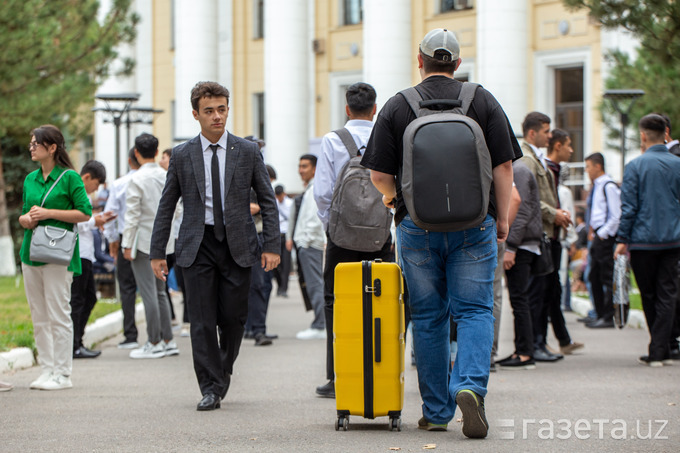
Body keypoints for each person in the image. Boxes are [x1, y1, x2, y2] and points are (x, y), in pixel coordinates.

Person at [362, 29, 519, 438]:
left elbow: (378, 173)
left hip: (417, 228)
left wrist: (397, 201)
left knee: (429, 317)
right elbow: (504, 167)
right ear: (458, 64)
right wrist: (501, 219)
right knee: (475, 310)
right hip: (474, 225)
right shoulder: (480, 100)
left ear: (420, 61)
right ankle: (469, 385)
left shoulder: (399, 105)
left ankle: (435, 412)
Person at [150, 81, 280, 411]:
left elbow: (267, 200)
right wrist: (156, 253)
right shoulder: (181, 155)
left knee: (234, 318)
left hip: (238, 244)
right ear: (196, 114)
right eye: (209, 111)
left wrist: (272, 245)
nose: (217, 116)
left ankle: (222, 371)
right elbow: (166, 206)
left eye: (222, 109)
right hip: (197, 245)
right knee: (203, 320)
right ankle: (209, 385)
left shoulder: (248, 151)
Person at [313, 82, 394, 398]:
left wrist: (332, 228)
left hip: (341, 237)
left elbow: (322, 193)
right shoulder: (385, 138)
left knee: (336, 303)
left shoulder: (334, 140)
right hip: (379, 237)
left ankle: (337, 377)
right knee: (380, 302)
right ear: (375, 109)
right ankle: (378, 371)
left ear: (347, 109)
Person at [19, 124, 92, 390]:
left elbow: (85, 213)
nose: (31, 147)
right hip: (31, 253)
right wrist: (25, 219)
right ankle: (46, 370)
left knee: (59, 314)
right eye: (30, 142)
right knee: (39, 315)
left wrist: (49, 213)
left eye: (35, 143)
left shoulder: (70, 177)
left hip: (59, 256)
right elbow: (26, 213)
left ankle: (63, 374)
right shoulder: (30, 179)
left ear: (52, 148)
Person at [615, 113, 680, 367]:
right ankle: (660, 349)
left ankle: (657, 348)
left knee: (649, 294)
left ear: (642, 135)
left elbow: (629, 207)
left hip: (643, 242)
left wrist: (622, 238)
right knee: (668, 293)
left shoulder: (635, 166)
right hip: (673, 241)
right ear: (666, 132)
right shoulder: (677, 164)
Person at [519, 114, 571, 362]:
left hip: (545, 234)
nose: (550, 136)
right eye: (546, 131)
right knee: (536, 294)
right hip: (538, 235)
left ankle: (540, 342)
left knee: (545, 291)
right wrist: (554, 213)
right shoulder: (527, 160)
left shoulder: (535, 158)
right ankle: (536, 343)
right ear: (532, 133)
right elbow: (529, 199)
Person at [123, 133, 179, 360]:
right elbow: (176, 210)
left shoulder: (136, 180)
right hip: (164, 241)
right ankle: (168, 340)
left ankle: (154, 341)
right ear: (157, 152)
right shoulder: (167, 175)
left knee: (149, 293)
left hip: (143, 241)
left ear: (136, 153)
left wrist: (127, 243)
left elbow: (132, 215)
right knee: (160, 292)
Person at [537, 130, 582, 353]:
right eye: (568, 145)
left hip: (555, 237)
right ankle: (540, 342)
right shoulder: (544, 168)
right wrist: (555, 213)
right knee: (547, 289)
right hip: (546, 237)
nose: (571, 150)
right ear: (557, 146)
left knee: (554, 289)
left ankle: (561, 340)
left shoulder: (553, 170)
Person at [497, 162, 542, 369]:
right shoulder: (519, 170)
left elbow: (521, 209)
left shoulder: (519, 171)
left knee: (519, 299)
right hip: (521, 243)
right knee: (521, 298)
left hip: (520, 245)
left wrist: (511, 247)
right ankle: (523, 350)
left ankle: (525, 352)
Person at [70, 160, 116, 359]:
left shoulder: (83, 195)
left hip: (86, 254)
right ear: (87, 177)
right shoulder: (74, 191)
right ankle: (73, 346)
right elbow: (70, 221)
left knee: (88, 298)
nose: (96, 190)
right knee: (79, 300)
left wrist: (97, 219)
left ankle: (76, 342)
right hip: (77, 253)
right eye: (96, 185)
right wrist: (93, 221)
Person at [103, 148, 141, 349]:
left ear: (129, 160)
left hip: (125, 236)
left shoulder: (119, 184)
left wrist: (112, 240)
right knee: (155, 288)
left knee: (127, 288)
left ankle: (131, 334)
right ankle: (160, 335)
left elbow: (110, 214)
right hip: (151, 238)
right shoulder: (160, 179)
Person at [287, 155, 327, 342]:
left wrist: (305, 241)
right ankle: (320, 323)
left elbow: (314, 219)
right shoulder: (311, 188)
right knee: (313, 284)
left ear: (314, 168)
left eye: (304, 166)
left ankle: (321, 324)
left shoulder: (315, 189)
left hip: (310, 244)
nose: (300, 170)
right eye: (299, 166)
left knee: (315, 285)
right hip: (308, 243)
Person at [583, 152, 621, 328]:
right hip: (596, 235)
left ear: (598, 166)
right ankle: (599, 312)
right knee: (593, 276)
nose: (587, 171)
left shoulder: (609, 186)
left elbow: (615, 216)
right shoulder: (597, 186)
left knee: (605, 277)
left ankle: (608, 316)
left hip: (603, 237)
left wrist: (601, 234)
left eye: (588, 167)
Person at [244, 142, 276, 347]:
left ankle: (256, 328)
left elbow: (269, 208)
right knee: (254, 285)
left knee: (262, 285)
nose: (259, 152)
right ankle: (254, 328)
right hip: (245, 237)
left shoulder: (260, 177)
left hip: (261, 236)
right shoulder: (240, 175)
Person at [273, 185, 293, 298]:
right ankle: (280, 286)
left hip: (286, 236)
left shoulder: (290, 203)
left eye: (280, 195)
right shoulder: (274, 202)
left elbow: (292, 220)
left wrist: (290, 238)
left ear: (284, 194)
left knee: (286, 264)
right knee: (276, 265)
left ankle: (284, 289)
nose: (279, 198)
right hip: (276, 236)